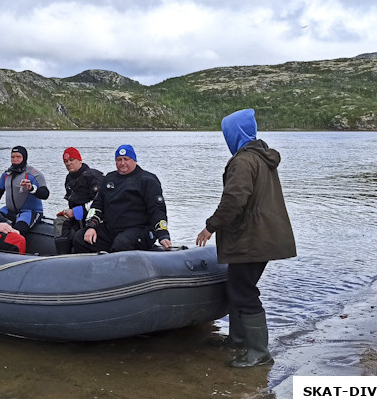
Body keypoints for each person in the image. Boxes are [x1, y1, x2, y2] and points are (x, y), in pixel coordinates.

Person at [195, 108, 296, 368]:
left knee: (243, 290)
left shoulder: (243, 161)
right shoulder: (262, 157)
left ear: (234, 133)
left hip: (252, 238)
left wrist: (210, 226)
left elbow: (234, 200)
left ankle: (259, 352)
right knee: (237, 286)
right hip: (263, 235)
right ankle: (238, 339)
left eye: (226, 132)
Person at [73, 144, 172, 253]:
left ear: (134, 160)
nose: (122, 163)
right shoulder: (109, 178)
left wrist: (163, 235)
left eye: (126, 159)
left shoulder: (148, 180)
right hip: (111, 229)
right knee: (80, 238)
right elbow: (97, 205)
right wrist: (91, 226)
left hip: (138, 230)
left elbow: (157, 210)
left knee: (121, 243)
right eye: (119, 160)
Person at [53, 147, 103, 254]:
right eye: (66, 161)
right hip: (77, 216)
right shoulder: (69, 179)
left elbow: (99, 202)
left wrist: (76, 212)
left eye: (72, 160)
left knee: (77, 235)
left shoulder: (93, 176)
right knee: (60, 222)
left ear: (79, 160)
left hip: (92, 218)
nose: (68, 163)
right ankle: (62, 255)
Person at [0, 146, 49, 235]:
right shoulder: (6, 175)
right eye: (13, 157)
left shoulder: (35, 174)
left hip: (29, 212)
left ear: (24, 158)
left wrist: (31, 188)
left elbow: (45, 194)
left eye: (18, 157)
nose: (15, 159)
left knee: (17, 231)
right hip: (9, 211)